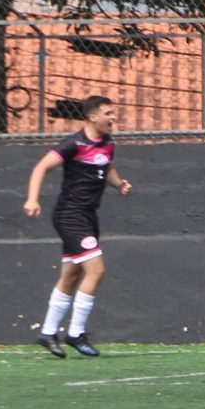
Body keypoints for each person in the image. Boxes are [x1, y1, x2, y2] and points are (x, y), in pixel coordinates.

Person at [20, 94, 131, 357]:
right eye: (109, 113)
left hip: (88, 217)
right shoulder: (74, 143)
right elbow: (41, 168)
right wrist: (32, 199)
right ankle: (75, 333)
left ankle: (48, 333)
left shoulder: (107, 143)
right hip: (71, 216)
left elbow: (108, 166)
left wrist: (119, 184)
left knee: (71, 275)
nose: (113, 118)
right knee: (97, 270)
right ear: (93, 116)